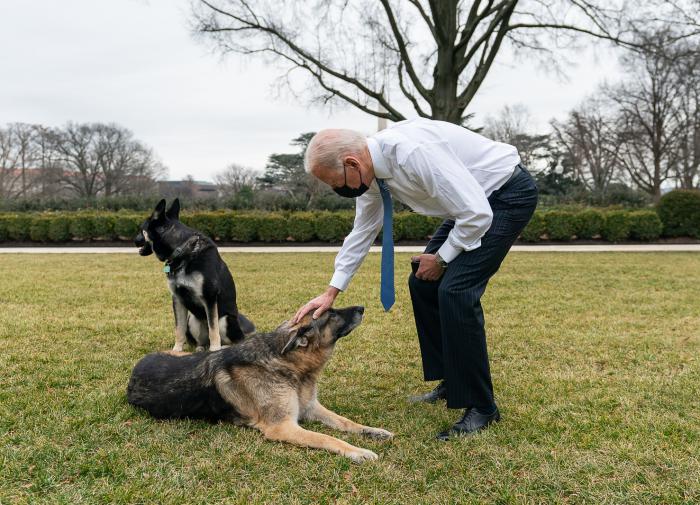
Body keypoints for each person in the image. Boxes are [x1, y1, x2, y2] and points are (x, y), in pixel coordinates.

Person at [293, 118, 538, 440]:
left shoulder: (413, 154)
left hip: (504, 197)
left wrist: (442, 258)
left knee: (456, 291)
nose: (338, 190)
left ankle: (483, 406)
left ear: (352, 163)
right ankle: (453, 381)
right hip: (470, 205)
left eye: (335, 183)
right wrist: (331, 293)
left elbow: (478, 214)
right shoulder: (370, 176)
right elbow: (362, 232)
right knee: (423, 283)